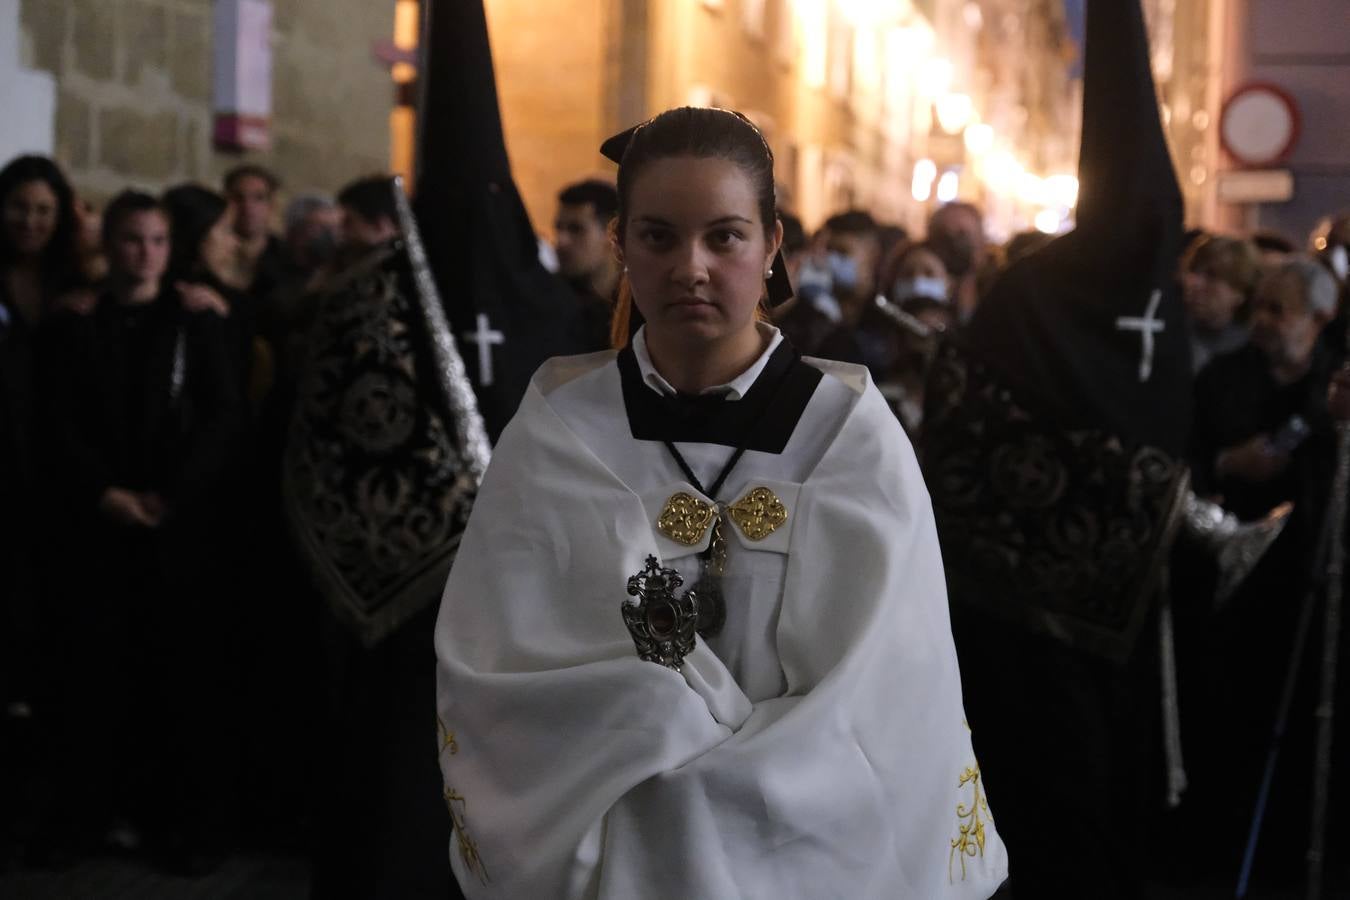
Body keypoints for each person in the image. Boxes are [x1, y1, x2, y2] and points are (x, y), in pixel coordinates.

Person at [433, 105, 1007, 899]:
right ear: (621, 245)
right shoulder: (561, 433)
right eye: (659, 236)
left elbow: (882, 698)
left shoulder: (847, 437)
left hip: (806, 855)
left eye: (724, 236)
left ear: (772, 245)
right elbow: (503, 675)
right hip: (612, 857)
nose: (690, 267)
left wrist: (703, 800)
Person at [42, 189, 244, 872]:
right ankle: (89, 817)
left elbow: (221, 416)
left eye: (157, 241)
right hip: (98, 523)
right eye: (131, 240)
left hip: (175, 526)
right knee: (93, 677)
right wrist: (103, 492)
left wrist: (173, 495)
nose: (145, 254)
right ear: (109, 245)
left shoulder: (195, 319)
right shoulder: (76, 321)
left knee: (177, 681)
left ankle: (179, 825)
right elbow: (57, 418)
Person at [553, 179, 621, 351]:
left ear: (612, 234)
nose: (561, 241)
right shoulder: (548, 303)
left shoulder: (636, 307)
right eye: (559, 228)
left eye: (576, 229)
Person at [1181, 234, 1261, 373]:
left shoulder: (1256, 351)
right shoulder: (1173, 334)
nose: (1193, 282)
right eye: (1193, 270)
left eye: (1212, 275)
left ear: (1240, 292)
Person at [224, 163, 287, 298]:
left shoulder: (287, 257)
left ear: (271, 204)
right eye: (238, 198)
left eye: (259, 198)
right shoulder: (211, 258)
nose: (247, 207)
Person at [926, 201, 986, 324]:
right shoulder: (920, 281)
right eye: (943, 235)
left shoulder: (994, 287)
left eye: (962, 234)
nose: (954, 244)